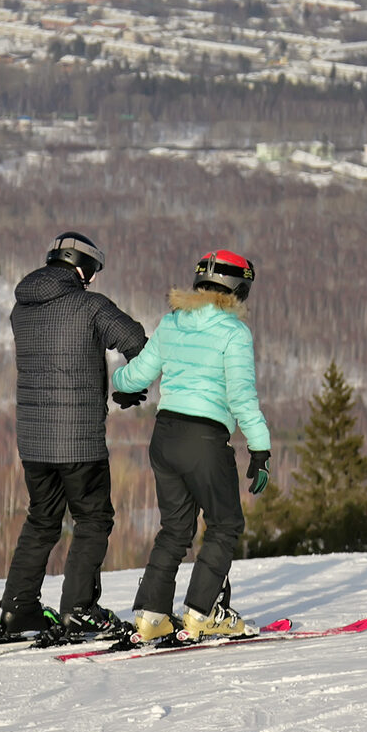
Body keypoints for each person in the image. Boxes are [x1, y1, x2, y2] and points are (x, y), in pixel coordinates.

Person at [0, 231, 148, 645]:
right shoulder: (90, 306)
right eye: (92, 270)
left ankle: (18, 608)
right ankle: (79, 609)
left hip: (33, 442)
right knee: (93, 519)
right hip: (79, 440)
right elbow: (138, 342)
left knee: (42, 519)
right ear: (82, 267)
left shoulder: (22, 309)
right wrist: (125, 386)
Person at [111, 248, 272, 644]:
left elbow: (136, 375)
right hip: (204, 440)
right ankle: (202, 614)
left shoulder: (172, 323)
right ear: (238, 289)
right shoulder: (234, 333)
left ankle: (151, 617)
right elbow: (241, 398)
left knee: (174, 530)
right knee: (225, 524)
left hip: (165, 437)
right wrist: (261, 448)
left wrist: (122, 388)